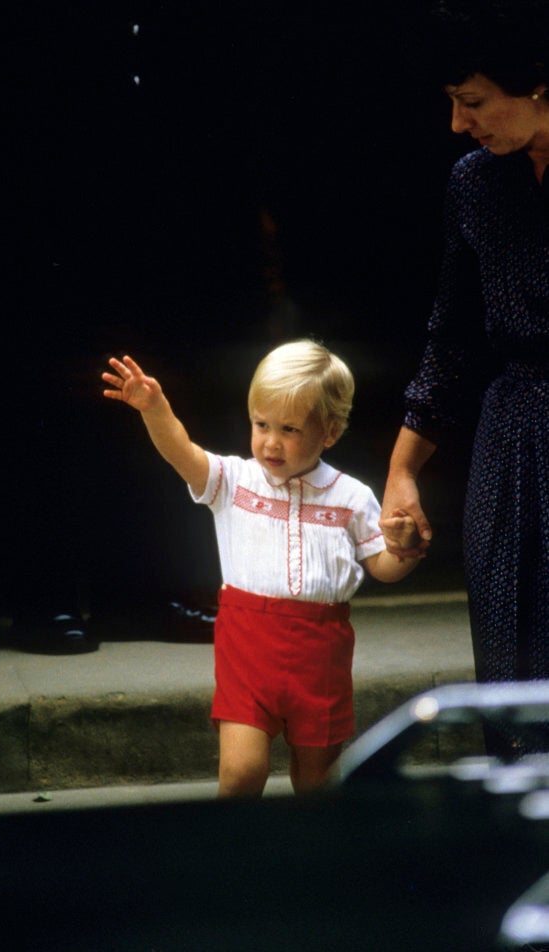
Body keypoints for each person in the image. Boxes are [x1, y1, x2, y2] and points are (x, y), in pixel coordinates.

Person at [103, 340, 422, 796]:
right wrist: (155, 408)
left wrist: (403, 548)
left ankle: (313, 861)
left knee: (318, 781)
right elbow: (180, 450)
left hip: (321, 651)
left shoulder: (351, 497)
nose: (271, 441)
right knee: (240, 773)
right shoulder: (233, 481)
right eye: (261, 424)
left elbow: (383, 567)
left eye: (289, 428)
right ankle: (236, 860)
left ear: (329, 432)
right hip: (247, 643)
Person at [380, 0, 549, 755]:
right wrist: (402, 469)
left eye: (472, 102)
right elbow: (450, 337)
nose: (458, 124)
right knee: (513, 668)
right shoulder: (477, 183)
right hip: (515, 441)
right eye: (452, 103)